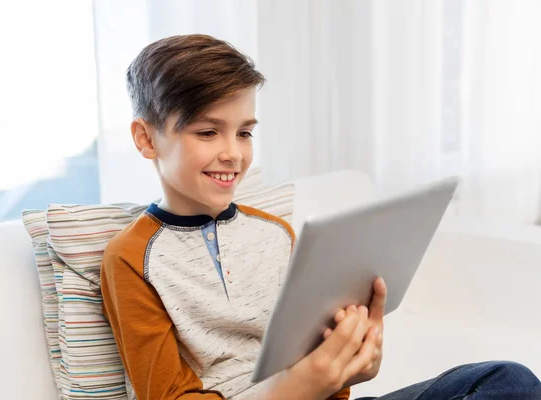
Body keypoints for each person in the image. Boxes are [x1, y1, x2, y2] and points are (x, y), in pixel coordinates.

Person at [100, 34, 541, 400]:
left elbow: (324, 376)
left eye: (245, 132)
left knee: (508, 381)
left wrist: (352, 363)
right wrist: (300, 386)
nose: (233, 152)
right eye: (208, 132)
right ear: (146, 138)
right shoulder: (131, 258)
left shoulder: (276, 234)